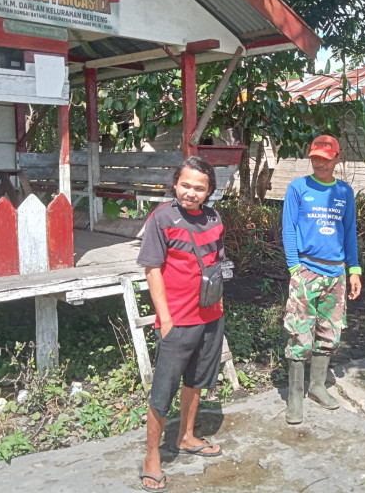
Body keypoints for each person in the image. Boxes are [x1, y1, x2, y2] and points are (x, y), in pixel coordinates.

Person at [137, 156, 226, 492]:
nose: (191, 192)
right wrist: (166, 320)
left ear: (209, 191)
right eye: (186, 185)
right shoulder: (162, 219)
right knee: (163, 391)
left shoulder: (215, 219)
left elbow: (216, 263)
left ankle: (186, 436)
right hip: (177, 321)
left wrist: (219, 306)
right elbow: (152, 270)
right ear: (175, 184)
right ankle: (151, 457)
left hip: (211, 316)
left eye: (199, 188)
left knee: (197, 379)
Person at [282, 134, 362, 424]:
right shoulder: (298, 187)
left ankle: (317, 386)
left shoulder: (344, 191)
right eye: (316, 158)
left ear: (337, 159)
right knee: (299, 333)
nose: (320, 163)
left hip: (336, 272)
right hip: (306, 270)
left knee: (330, 332)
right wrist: (294, 268)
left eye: (326, 159)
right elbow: (289, 229)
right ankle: (294, 396)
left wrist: (354, 270)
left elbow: (349, 232)